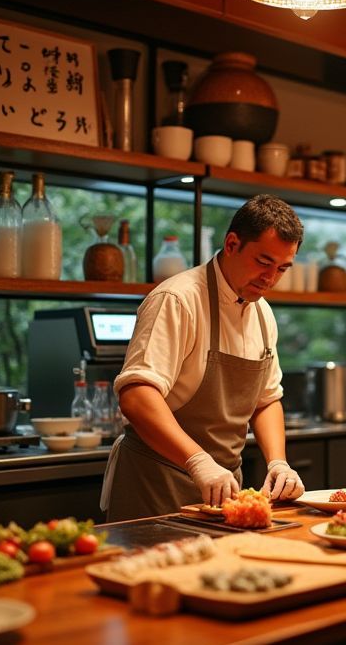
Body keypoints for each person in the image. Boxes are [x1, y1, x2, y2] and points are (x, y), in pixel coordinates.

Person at [101, 195, 306, 521]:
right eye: (263, 262)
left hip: (224, 491)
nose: (270, 278)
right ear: (231, 244)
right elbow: (137, 397)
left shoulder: (262, 314)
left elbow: (267, 400)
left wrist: (278, 462)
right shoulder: (177, 299)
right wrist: (198, 461)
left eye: (282, 268)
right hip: (156, 488)